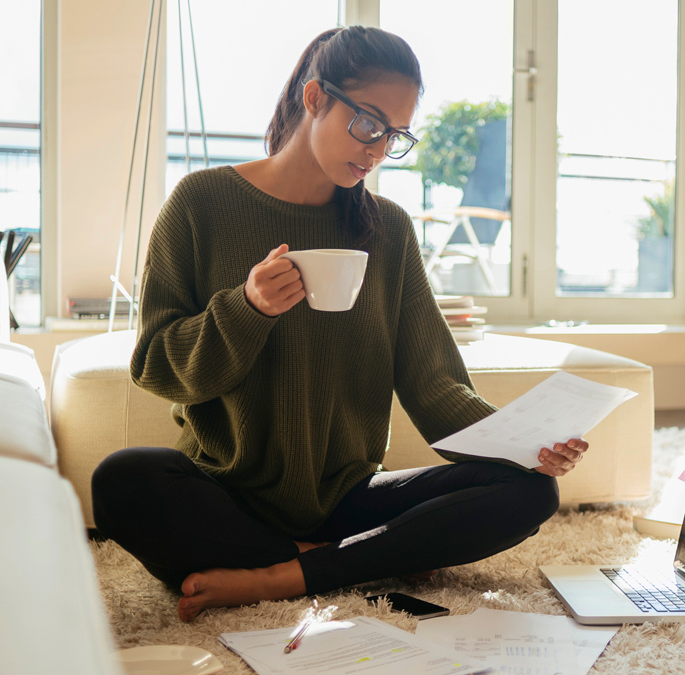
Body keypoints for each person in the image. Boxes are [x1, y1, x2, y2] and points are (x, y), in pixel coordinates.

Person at [90, 26, 589, 623]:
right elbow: (155, 366)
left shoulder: (390, 231)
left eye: (396, 135)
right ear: (314, 98)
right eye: (370, 123)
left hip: (348, 496)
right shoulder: (199, 204)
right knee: (123, 480)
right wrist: (246, 308)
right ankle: (347, 561)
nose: (378, 149)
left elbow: (433, 386)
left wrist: (524, 448)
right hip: (227, 489)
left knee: (531, 494)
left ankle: (284, 573)